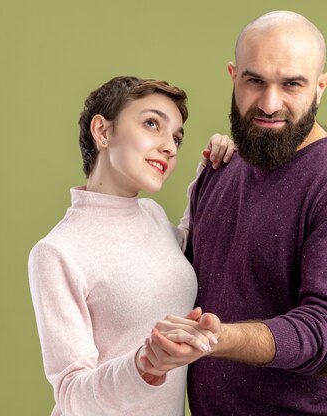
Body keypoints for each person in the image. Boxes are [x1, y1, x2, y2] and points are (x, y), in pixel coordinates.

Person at [142, 11, 327, 416]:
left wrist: (218, 338)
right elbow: (179, 278)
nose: (269, 103)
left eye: (291, 84)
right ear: (233, 76)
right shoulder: (222, 167)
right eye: (255, 80)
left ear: (321, 87)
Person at [27, 76, 234, 416]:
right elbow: (71, 394)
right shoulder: (57, 252)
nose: (169, 146)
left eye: (176, 139)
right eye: (152, 124)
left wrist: (211, 168)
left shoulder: (151, 215)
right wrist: (142, 365)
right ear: (102, 132)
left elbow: (189, 237)